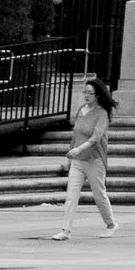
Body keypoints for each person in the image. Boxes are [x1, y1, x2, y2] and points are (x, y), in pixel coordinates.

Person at [54, 73, 119, 239]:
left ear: (98, 95)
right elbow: (76, 135)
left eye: (90, 93)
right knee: (71, 196)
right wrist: (72, 152)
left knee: (99, 194)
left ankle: (111, 223)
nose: (86, 96)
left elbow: (95, 138)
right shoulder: (81, 110)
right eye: (85, 92)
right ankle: (65, 230)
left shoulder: (102, 113)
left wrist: (78, 149)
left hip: (94, 159)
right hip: (77, 160)